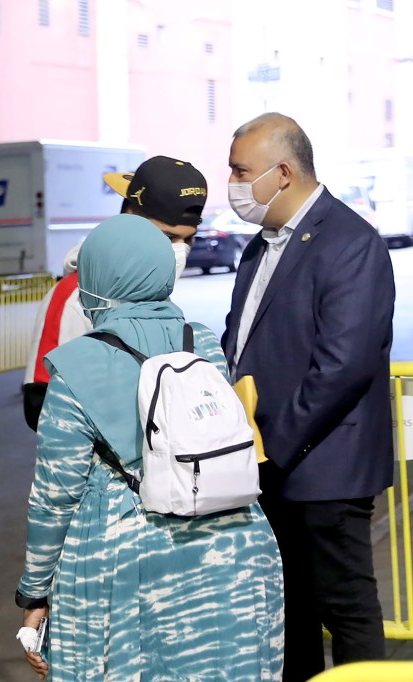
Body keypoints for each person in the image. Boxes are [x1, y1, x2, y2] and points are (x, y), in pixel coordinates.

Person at [16, 214, 284, 681]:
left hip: (127, 556)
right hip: (235, 545)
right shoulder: (201, 342)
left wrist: (34, 593)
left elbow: (54, 499)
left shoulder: (76, 367)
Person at [222, 112, 395, 680]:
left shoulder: (351, 243)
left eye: (240, 171)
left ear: (283, 172)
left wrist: (274, 441)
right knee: (287, 609)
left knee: (345, 609)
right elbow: (239, 342)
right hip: (268, 464)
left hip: (325, 466)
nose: (233, 184)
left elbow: (342, 366)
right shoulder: (258, 248)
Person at [22, 155, 208, 429]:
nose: (178, 253)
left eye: (188, 240)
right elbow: (40, 405)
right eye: (168, 238)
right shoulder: (77, 294)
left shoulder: (157, 293)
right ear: (129, 218)